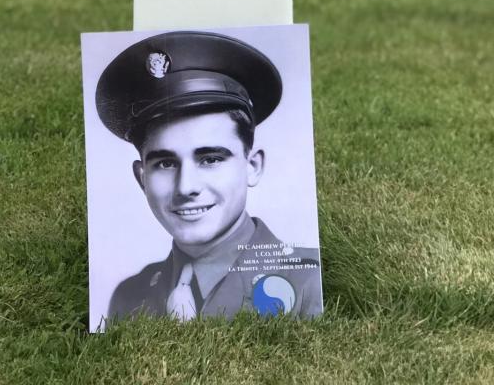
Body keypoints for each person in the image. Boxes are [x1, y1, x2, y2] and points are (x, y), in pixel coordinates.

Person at [95, 29, 323, 321]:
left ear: (252, 167)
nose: (186, 186)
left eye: (211, 159)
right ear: (142, 179)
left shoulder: (307, 284)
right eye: (165, 164)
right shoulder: (129, 297)